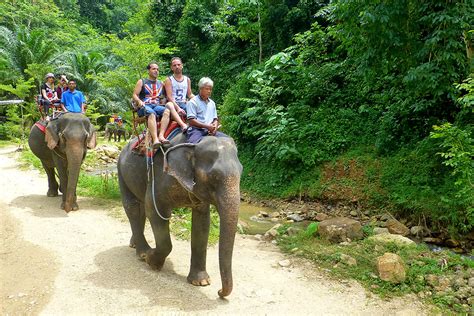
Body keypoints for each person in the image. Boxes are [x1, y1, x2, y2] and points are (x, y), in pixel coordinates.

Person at [132, 62, 170, 148]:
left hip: (157, 106)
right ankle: (155, 139)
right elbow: (134, 95)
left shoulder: (161, 83)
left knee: (167, 111)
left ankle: (161, 135)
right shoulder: (142, 81)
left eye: (157, 69)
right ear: (148, 70)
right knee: (151, 113)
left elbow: (166, 96)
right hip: (145, 106)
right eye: (153, 69)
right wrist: (139, 101)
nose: (156, 71)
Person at [186, 77, 227, 144]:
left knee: (228, 141)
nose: (209, 91)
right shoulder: (193, 102)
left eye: (210, 89)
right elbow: (191, 121)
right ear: (200, 89)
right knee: (192, 146)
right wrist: (207, 126)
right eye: (207, 89)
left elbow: (215, 119)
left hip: (210, 129)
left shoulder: (212, 103)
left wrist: (215, 127)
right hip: (196, 130)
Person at [164, 57, 194, 131]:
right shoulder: (169, 80)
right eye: (174, 65)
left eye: (178, 64)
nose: (177, 67)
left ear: (182, 66)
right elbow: (169, 97)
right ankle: (184, 126)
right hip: (174, 104)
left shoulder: (187, 79)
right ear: (171, 68)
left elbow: (190, 94)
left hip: (184, 103)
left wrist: (198, 99)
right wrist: (178, 108)